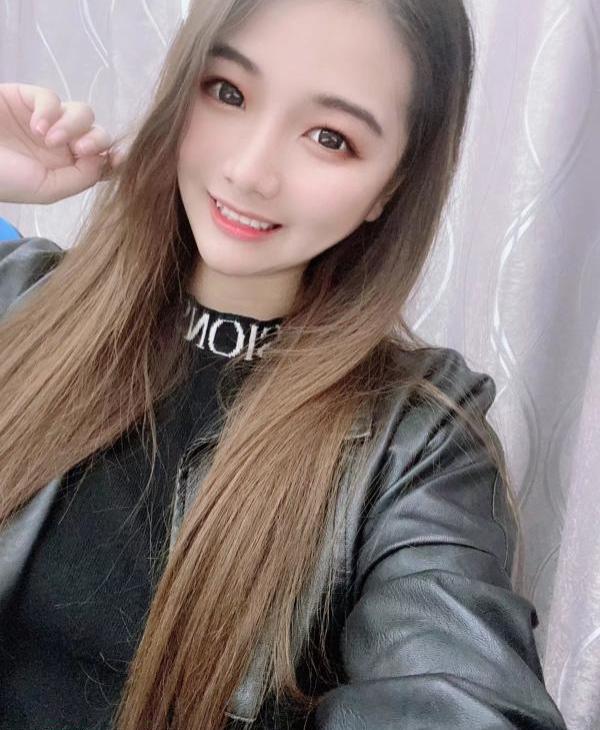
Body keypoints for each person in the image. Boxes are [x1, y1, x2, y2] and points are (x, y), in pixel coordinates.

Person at [0, 1, 568, 729]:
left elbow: (463, 700)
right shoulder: (20, 298)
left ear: (390, 186)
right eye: (229, 92)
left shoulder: (416, 450)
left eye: (330, 137)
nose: (249, 170)